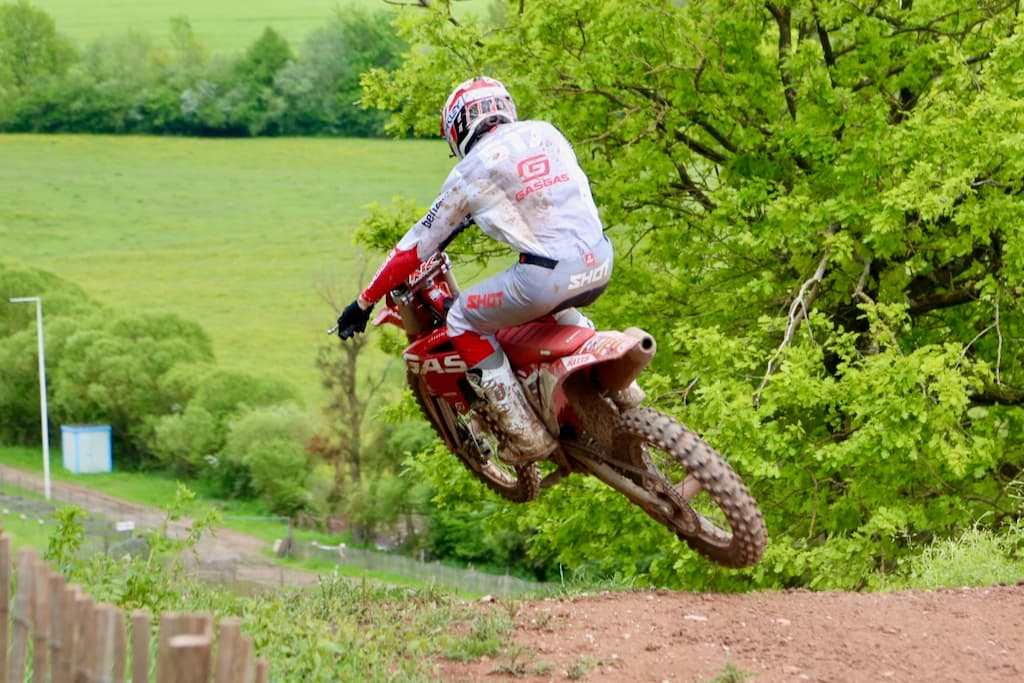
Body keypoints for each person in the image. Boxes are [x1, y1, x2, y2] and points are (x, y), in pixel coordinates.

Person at [335, 75, 614, 464]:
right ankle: (603, 379)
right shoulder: (546, 132)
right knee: (545, 292)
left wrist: (363, 303)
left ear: (458, 127)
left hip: (547, 280)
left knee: (463, 318)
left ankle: (524, 431)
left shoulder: (472, 169)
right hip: (600, 261)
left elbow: (415, 247)